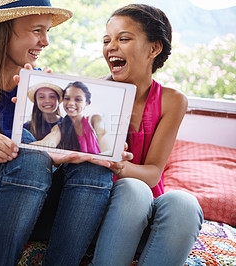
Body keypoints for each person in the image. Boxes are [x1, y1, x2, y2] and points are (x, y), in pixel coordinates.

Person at [0, 0, 113, 265]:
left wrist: (67, 148)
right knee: (27, 149)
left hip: (35, 207)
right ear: (3, 30)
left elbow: (51, 155)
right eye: (37, 30)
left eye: (47, 31)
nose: (45, 42)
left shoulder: (45, 90)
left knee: (94, 163)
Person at [91, 4, 204, 265]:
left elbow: (154, 172)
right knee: (132, 189)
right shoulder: (94, 93)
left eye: (124, 38)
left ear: (154, 48)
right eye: (107, 40)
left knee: (184, 203)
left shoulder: (172, 101)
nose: (110, 47)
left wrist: (118, 164)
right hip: (103, 215)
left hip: (148, 215)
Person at [32, 81, 110, 154]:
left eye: (77, 99)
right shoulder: (59, 127)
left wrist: (107, 155)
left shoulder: (94, 119)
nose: (71, 103)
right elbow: (49, 141)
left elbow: (102, 135)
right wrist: (24, 146)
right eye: (67, 98)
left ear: (86, 103)